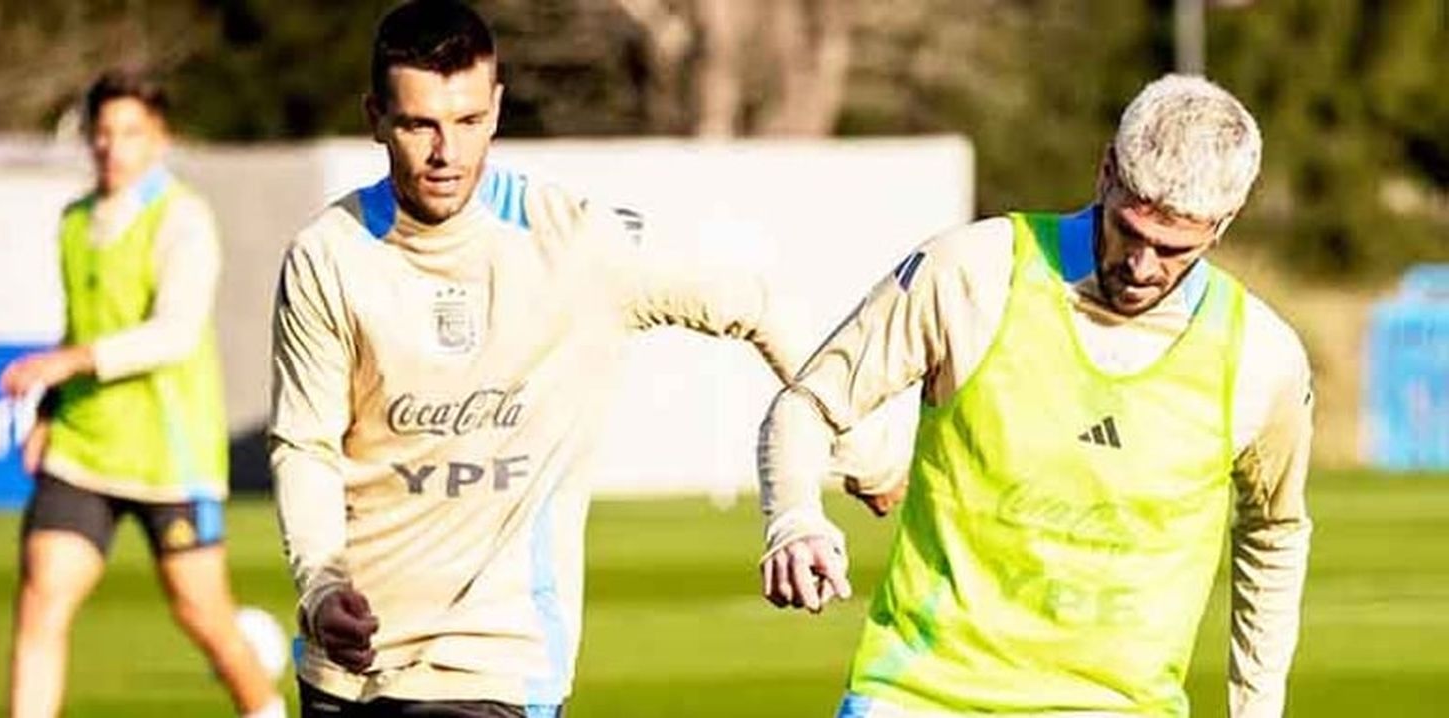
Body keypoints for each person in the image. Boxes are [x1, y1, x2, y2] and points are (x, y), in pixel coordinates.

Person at [268, 2, 889, 715]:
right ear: (377, 118)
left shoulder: (572, 242)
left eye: (468, 122)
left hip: (493, 664)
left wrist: (864, 448)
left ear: (497, 109)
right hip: (345, 663)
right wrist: (320, 583)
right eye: (420, 125)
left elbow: (757, 303)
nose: (448, 153)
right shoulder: (329, 254)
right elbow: (306, 444)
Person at [758, 74, 1313, 718]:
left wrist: (1258, 709)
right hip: (922, 699)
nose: (1141, 266)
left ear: (1224, 223)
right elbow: (809, 405)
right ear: (1106, 172)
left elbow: (1273, 532)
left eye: (1172, 248)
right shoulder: (974, 272)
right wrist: (794, 518)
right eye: (1130, 230)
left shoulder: (1262, 357)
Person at [0, 71, 283, 717]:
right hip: (84, 445)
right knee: (42, 598)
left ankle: (264, 709)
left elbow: (174, 335)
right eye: (102, 132)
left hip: (168, 452)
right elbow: (81, 322)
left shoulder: (182, 217)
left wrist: (65, 362)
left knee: (201, 612)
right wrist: (48, 410)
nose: (112, 146)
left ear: (159, 139)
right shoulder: (74, 220)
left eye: (129, 132)